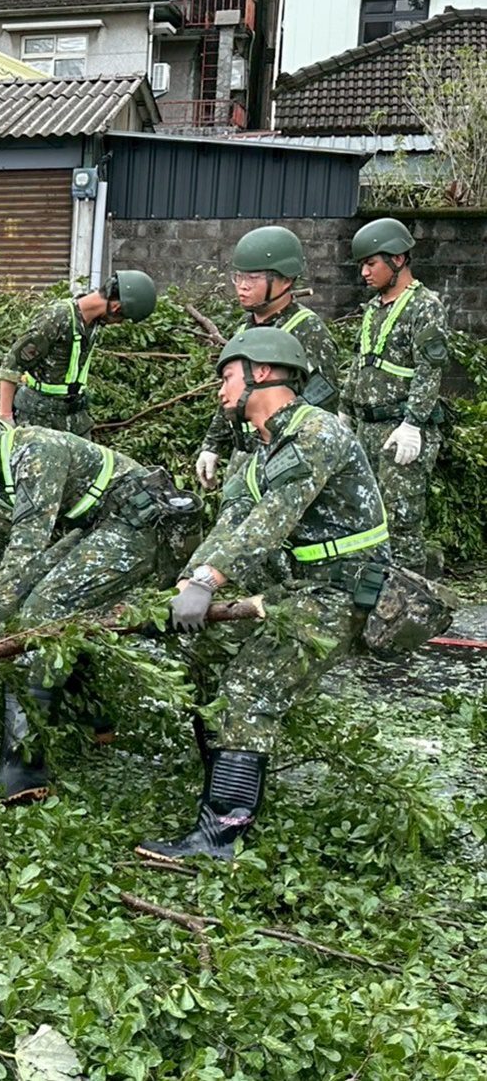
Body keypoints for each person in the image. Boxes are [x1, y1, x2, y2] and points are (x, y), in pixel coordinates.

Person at [139, 328, 389, 861]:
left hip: (341, 592)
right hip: (299, 586)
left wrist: (209, 583)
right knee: (206, 657)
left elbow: (269, 523)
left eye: (228, 376)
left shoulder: (315, 434)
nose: (221, 390)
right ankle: (233, 794)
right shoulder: (258, 449)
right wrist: (187, 584)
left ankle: (220, 837)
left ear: (265, 372)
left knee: (250, 688)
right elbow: (232, 522)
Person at [0, 382, 193, 802]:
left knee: (42, 612)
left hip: (140, 528)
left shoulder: (34, 453)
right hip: (101, 525)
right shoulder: (0, 463)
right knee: (39, 608)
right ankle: (98, 722)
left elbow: (27, 543)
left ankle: (22, 775)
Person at [195, 226, 340, 490]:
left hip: (285, 460)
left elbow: (321, 407)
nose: (242, 286)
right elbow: (233, 392)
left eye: (253, 278)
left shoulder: (307, 331)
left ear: (285, 280)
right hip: (245, 455)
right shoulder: (246, 329)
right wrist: (212, 445)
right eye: (237, 277)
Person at [342, 217, 447, 571]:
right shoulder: (373, 308)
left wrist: (413, 423)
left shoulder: (425, 306)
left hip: (400, 430)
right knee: (365, 516)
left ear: (398, 259)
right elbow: (361, 363)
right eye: (362, 265)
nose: (364, 274)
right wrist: (345, 411)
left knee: (401, 522)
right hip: (366, 429)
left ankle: (410, 608)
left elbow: (430, 369)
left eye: (371, 264)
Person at [0, 270, 158, 437]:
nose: (117, 324)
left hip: (74, 416)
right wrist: (5, 417)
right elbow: (13, 364)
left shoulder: (93, 322)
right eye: (121, 319)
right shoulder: (56, 319)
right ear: (116, 308)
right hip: (39, 417)